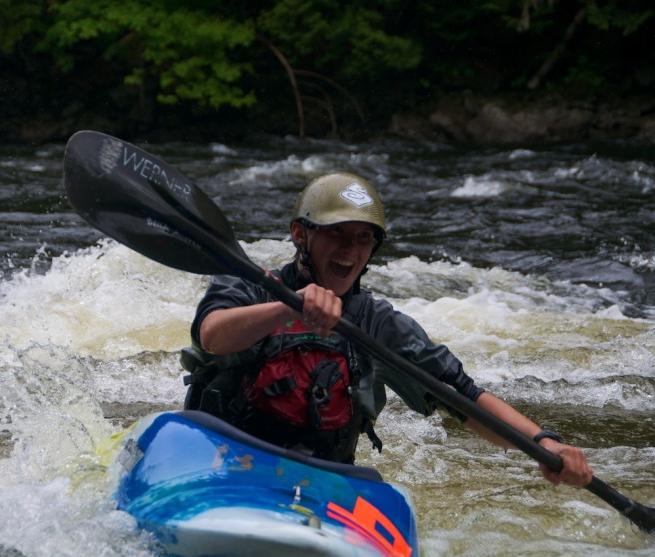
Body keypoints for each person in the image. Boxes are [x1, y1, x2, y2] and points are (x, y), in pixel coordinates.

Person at [181, 172, 592, 487]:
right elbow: (211, 335)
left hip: (320, 477)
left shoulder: (377, 324)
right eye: (336, 232)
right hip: (220, 457)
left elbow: (464, 397)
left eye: (363, 238)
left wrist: (544, 443)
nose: (351, 249)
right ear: (299, 235)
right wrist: (288, 307)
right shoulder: (249, 282)